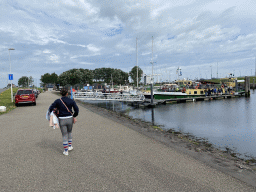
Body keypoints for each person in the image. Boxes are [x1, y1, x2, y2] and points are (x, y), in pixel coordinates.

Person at [49, 88, 79, 156]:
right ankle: (70, 146)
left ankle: (66, 151)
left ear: (60, 94)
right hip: (70, 118)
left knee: (64, 134)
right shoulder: (71, 100)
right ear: (67, 93)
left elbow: (51, 108)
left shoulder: (58, 101)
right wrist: (74, 115)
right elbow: (76, 110)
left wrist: (55, 113)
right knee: (70, 132)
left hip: (61, 119)